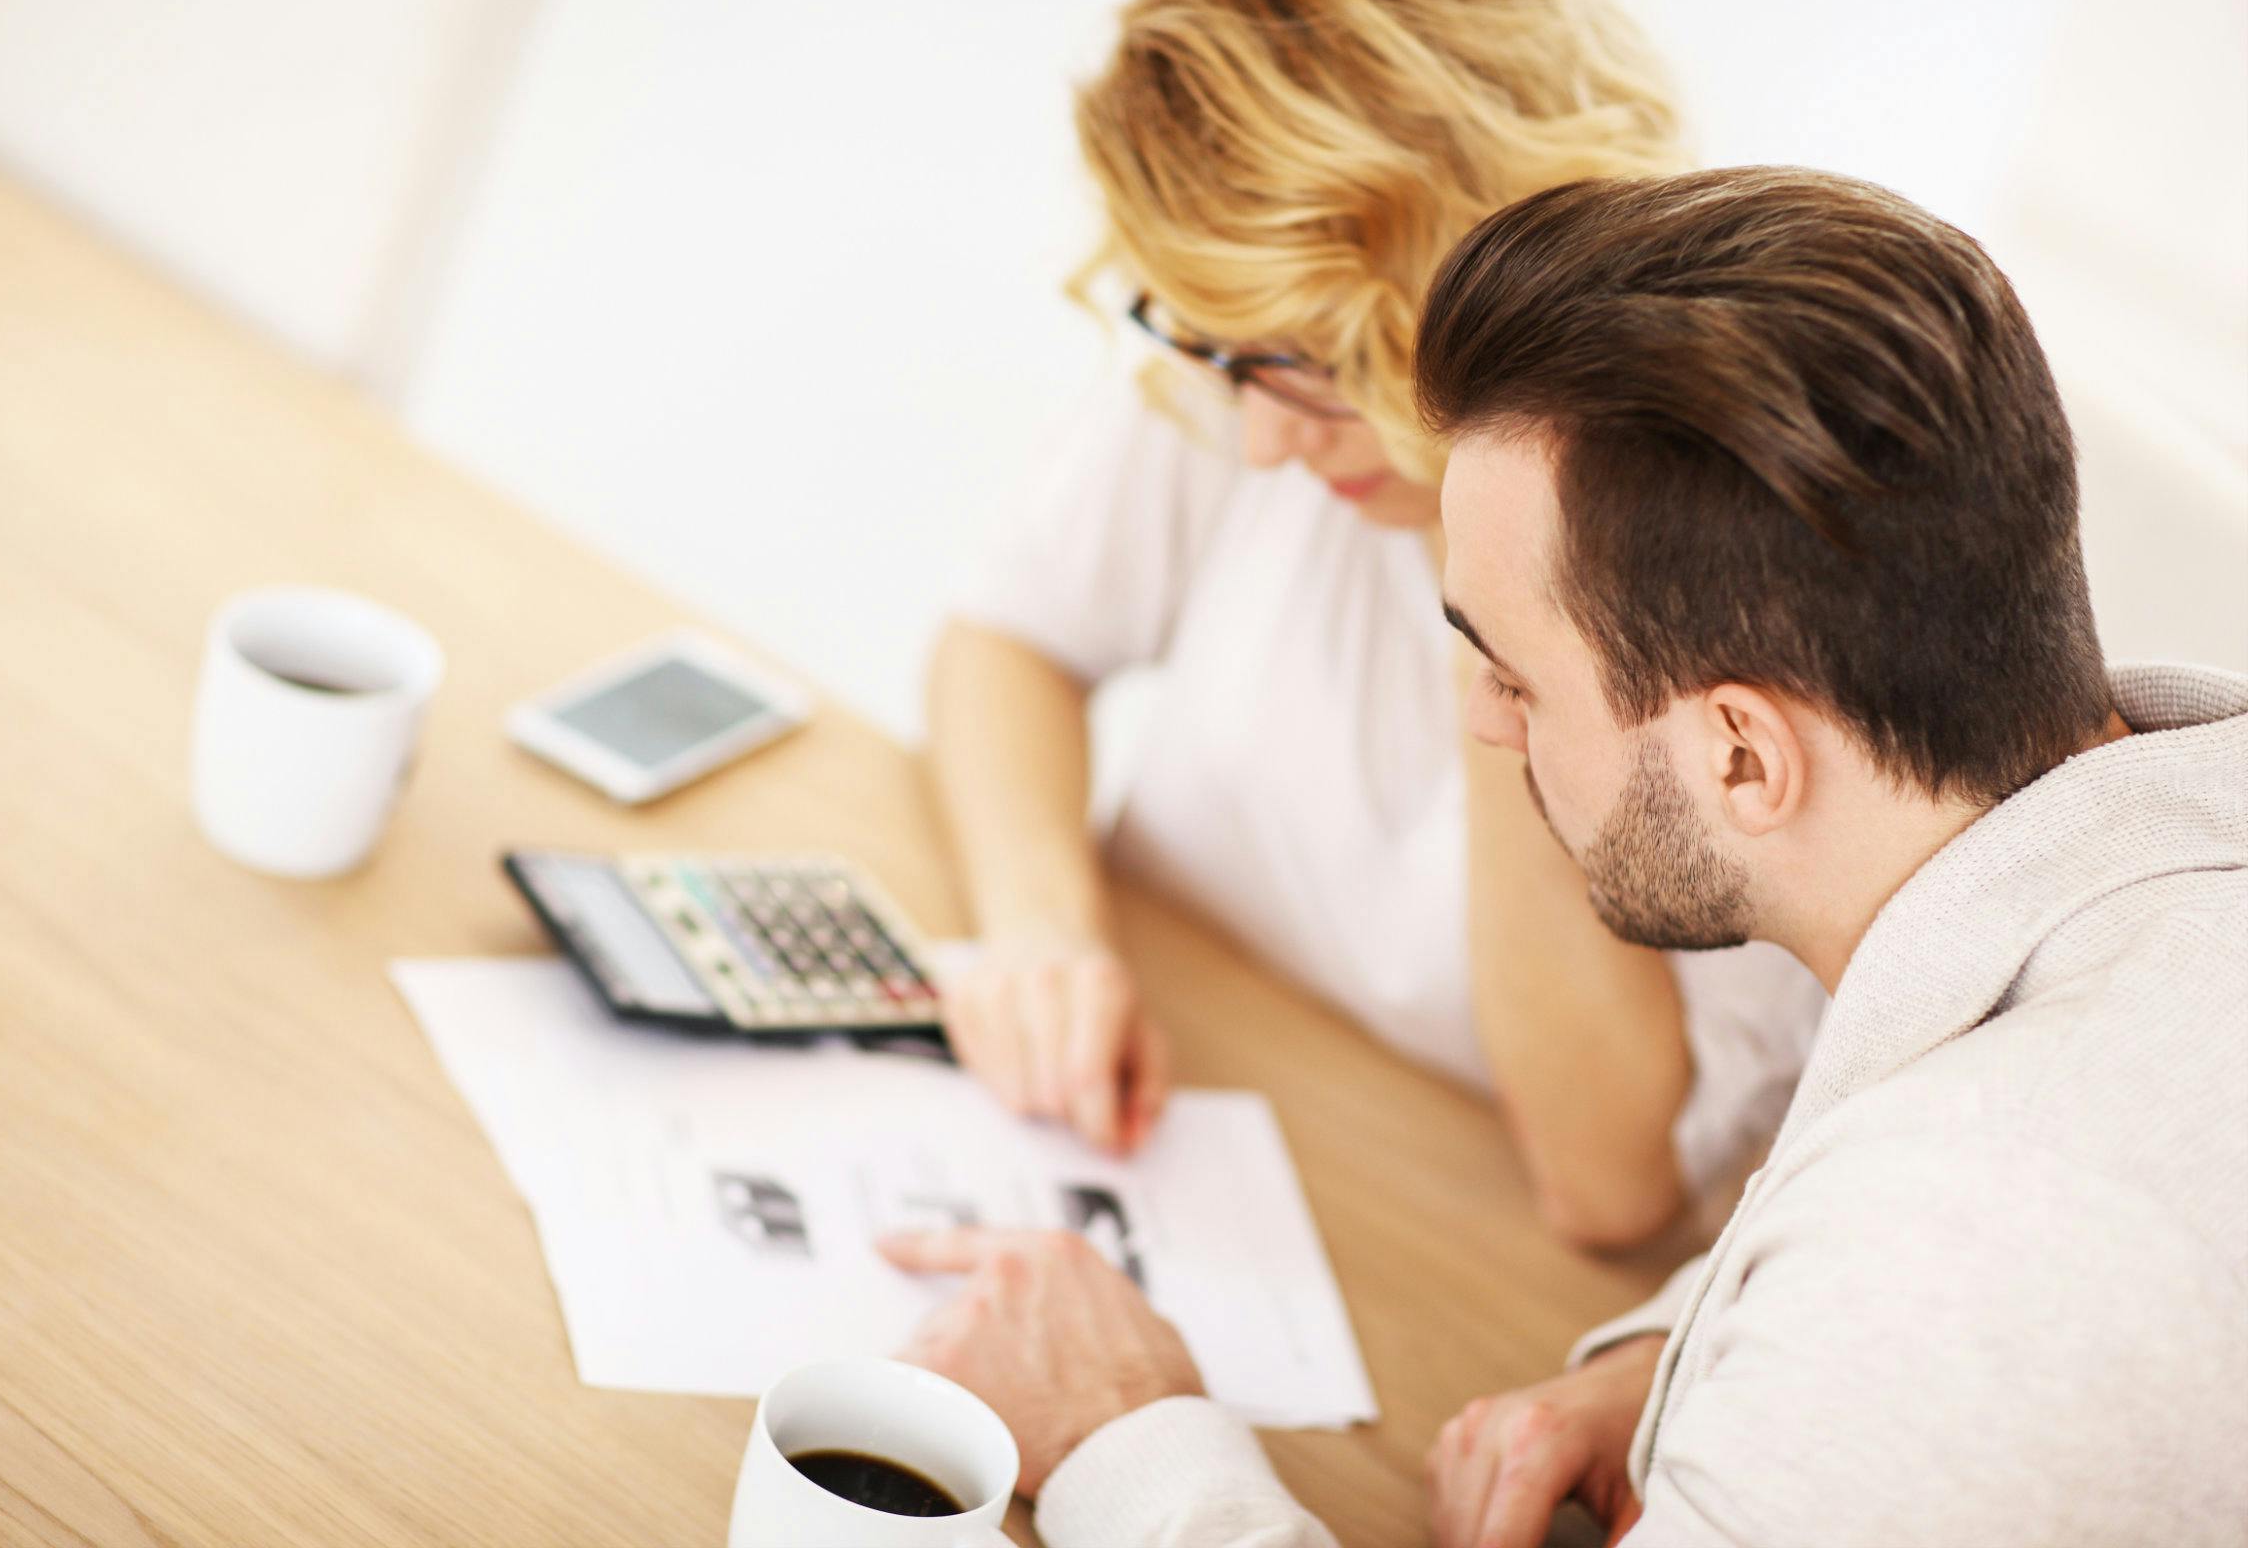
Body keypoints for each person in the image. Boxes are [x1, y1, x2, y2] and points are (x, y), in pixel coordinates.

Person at [882, 166, 2248, 1545]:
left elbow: (1947, 1331)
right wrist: (1684, 1352)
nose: (1479, 721)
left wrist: (1129, 1437)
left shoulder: (1957, 1270)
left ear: (1740, 759)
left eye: (1514, 679)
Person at [928, 0, 1827, 1248]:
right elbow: (1007, 638)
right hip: (1175, 1086)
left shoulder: (1735, 589)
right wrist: (1044, 932)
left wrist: (1504, 635)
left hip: (1439, 1233)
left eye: (1309, 365)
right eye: (1222, 355)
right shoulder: (1256, 371)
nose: (1261, 443)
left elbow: (1609, 1187)